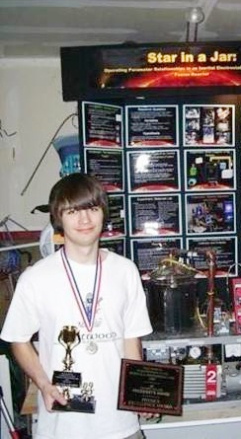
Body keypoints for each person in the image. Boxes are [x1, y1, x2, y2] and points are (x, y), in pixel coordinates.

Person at [0, 173, 153, 439]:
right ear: (59, 218)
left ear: (103, 214)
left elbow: (131, 340)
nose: (84, 220)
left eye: (92, 209)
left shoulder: (125, 271)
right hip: (63, 427)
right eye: (73, 211)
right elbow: (18, 339)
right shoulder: (36, 278)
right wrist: (44, 383)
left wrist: (138, 392)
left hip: (121, 426)